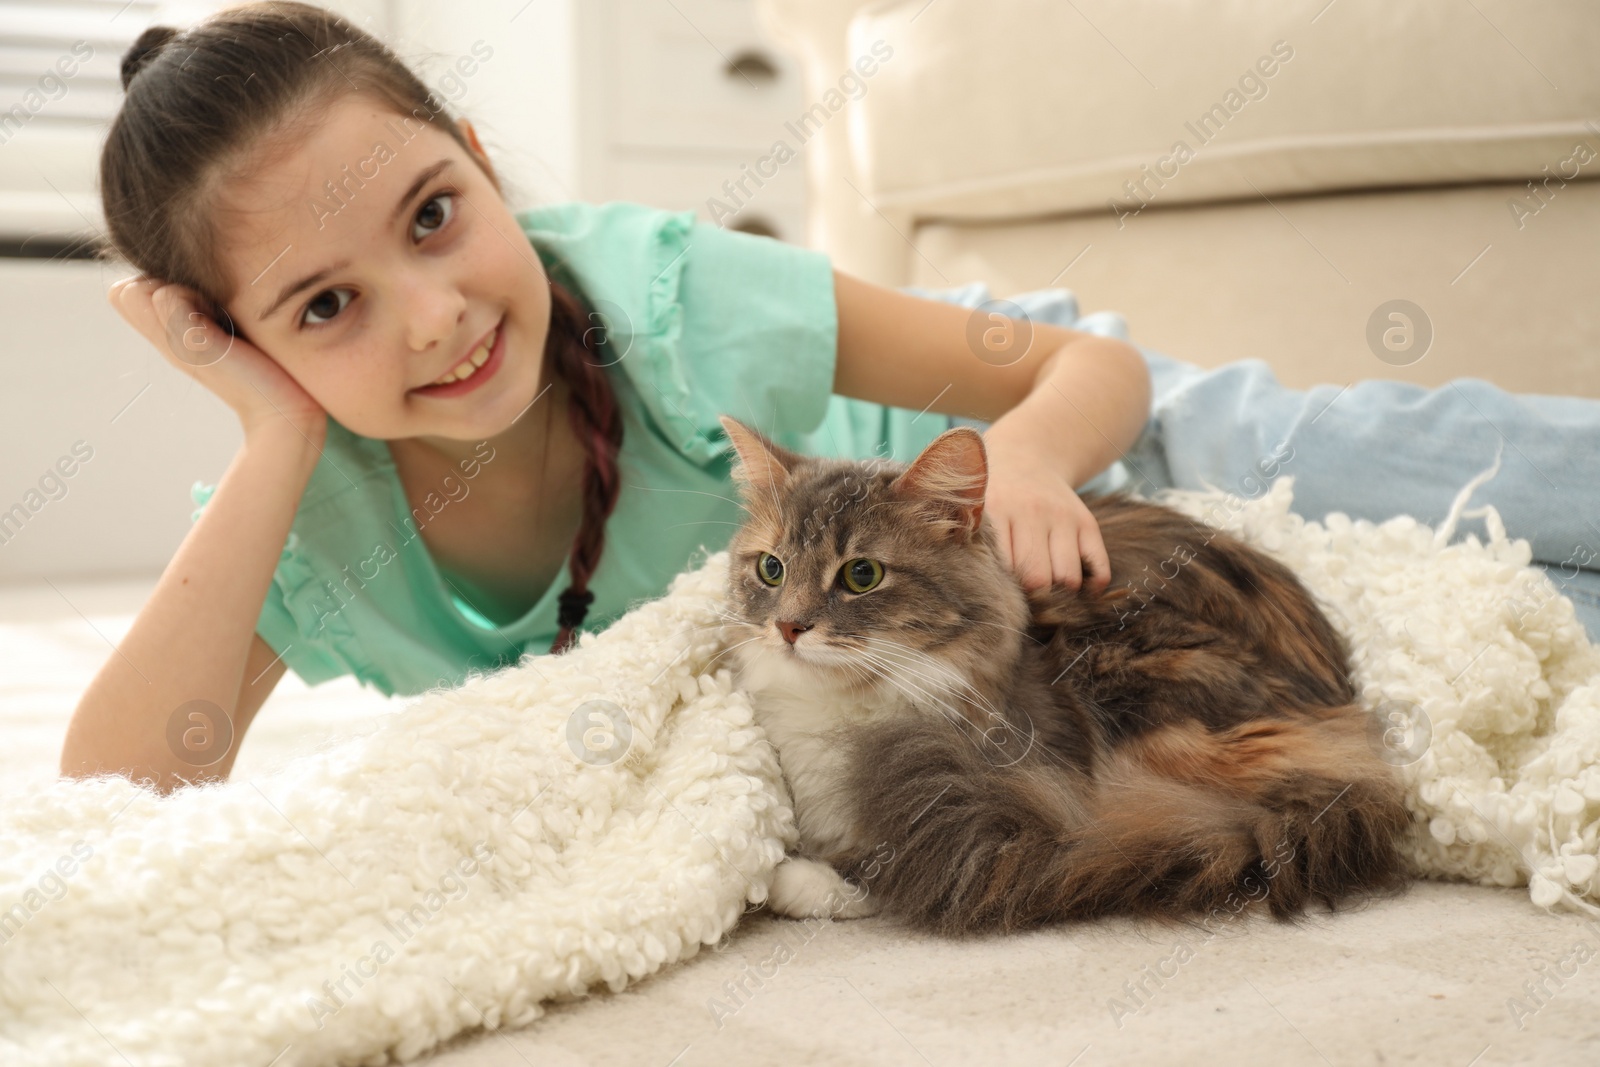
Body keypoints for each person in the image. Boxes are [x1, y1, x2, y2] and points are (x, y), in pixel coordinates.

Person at [58, 1, 1597, 794]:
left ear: (474, 150)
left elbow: (1090, 372)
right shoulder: (319, 517)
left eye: (435, 213)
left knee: (1443, 482)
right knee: (1516, 637)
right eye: (324, 309)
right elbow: (115, 787)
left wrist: (1038, 466)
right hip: (1030, 654)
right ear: (233, 338)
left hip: (1069, 475)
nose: (437, 311)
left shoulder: (667, 295)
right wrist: (268, 437)